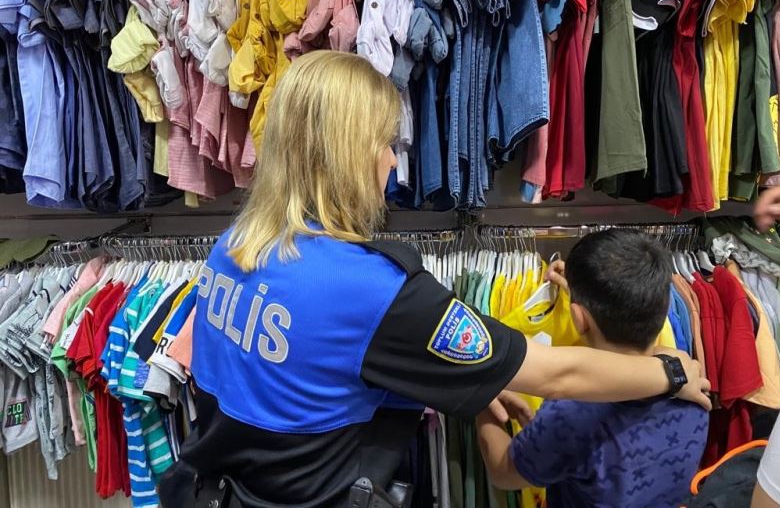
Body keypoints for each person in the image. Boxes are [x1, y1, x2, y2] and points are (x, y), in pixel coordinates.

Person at [159, 51, 710, 508]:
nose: (392, 166)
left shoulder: (235, 246)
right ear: (348, 155)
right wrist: (668, 370)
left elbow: (310, 374)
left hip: (217, 492)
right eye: (386, 146)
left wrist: (471, 391)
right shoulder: (374, 288)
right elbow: (557, 373)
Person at [476, 229, 710, 507]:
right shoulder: (691, 383)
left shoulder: (572, 412)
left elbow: (504, 473)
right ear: (666, 308)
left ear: (578, 318)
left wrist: (479, 398)